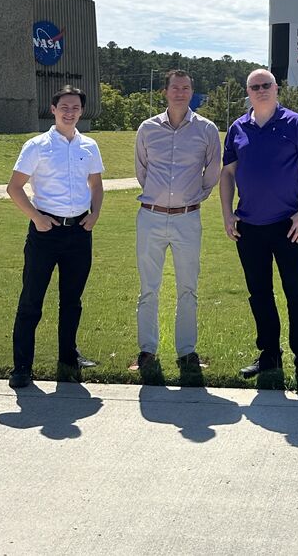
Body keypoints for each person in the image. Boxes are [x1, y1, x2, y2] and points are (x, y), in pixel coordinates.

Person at [220, 68, 298, 397]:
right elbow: (227, 174)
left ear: (276, 89)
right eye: (255, 86)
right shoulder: (238, 128)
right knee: (260, 294)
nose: (261, 90)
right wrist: (227, 213)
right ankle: (269, 356)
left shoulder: (295, 123)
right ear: (247, 92)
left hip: (289, 226)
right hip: (249, 227)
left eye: (266, 85)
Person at [6, 86, 104, 389]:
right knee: (31, 300)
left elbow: (96, 184)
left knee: (72, 301)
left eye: (75, 107)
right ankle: (22, 367)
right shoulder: (37, 146)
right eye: (64, 107)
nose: (70, 112)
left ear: (81, 111)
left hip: (79, 232)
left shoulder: (89, 146)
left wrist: (95, 214)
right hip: (45, 234)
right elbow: (14, 187)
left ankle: (68, 358)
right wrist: (37, 218)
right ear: (53, 109)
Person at [133, 69, 221, 372]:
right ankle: (147, 351)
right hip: (151, 217)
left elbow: (212, 171)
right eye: (175, 88)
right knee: (148, 288)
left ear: (191, 92)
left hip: (187, 219)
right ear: (165, 92)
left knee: (188, 287)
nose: (180, 93)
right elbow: (142, 170)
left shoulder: (207, 129)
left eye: (185, 88)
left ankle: (187, 352)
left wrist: (194, 196)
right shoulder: (147, 129)